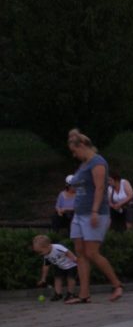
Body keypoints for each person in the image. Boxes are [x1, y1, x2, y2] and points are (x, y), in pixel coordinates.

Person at [65, 128, 124, 304]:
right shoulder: (83, 164)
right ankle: (84, 294)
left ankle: (117, 285)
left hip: (93, 213)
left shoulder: (98, 162)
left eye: (74, 151)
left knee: (92, 252)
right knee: (80, 253)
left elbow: (100, 188)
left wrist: (95, 211)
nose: (74, 155)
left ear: (82, 145)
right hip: (79, 213)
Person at [33, 235, 78, 302]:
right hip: (60, 266)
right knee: (57, 278)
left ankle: (70, 294)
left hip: (71, 265)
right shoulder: (46, 255)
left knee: (70, 278)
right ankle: (58, 294)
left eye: (41, 252)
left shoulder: (57, 247)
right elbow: (46, 266)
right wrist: (43, 279)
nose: (40, 254)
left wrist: (76, 261)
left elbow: (68, 252)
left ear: (48, 246)